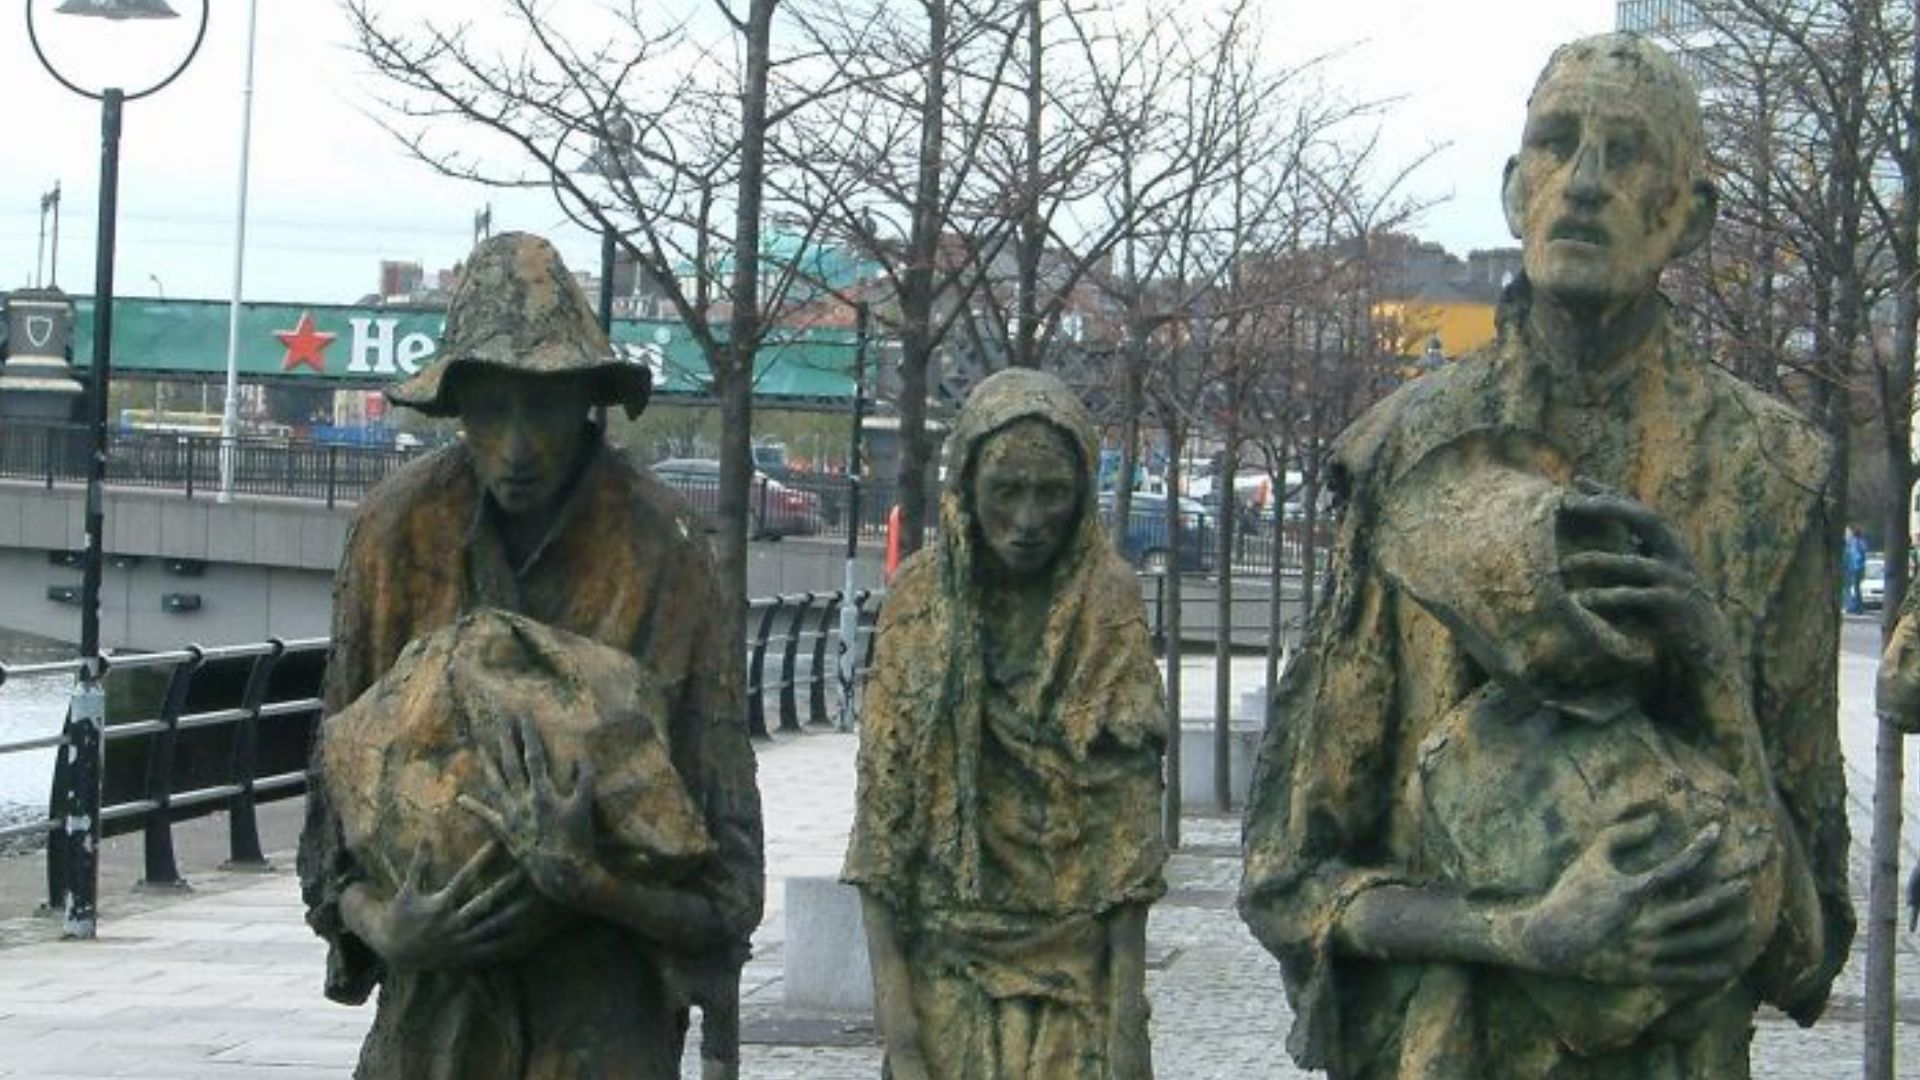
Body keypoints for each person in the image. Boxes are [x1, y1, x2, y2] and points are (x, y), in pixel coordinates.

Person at [1239, 34, 1851, 1079]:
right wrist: (1523, 932)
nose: (1586, 185)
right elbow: (1291, 881)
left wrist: (1706, 663)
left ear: (1689, 216)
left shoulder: (1774, 473)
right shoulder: (1402, 452)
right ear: (1518, 189)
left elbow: (1808, 950)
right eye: (1558, 146)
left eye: (1628, 153)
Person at [298, 232, 763, 1080]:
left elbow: (726, 887)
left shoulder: (664, 548)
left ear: (588, 401)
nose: (516, 448)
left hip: (601, 1020)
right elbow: (333, 808)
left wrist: (589, 883)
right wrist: (381, 923)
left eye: (543, 409)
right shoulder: (396, 535)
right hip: (432, 1024)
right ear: (455, 405)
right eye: (490, 409)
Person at [844, 368, 1167, 1080]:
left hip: (1073, 967)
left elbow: (1129, 838)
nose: (1027, 521)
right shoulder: (919, 604)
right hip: (946, 959)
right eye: (1006, 491)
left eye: (1051, 493)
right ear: (967, 487)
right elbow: (880, 838)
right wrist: (900, 1036)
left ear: (1082, 493)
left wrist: (1127, 1027)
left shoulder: (1107, 605)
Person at [1844, 524, 1868, 614]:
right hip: (1854, 567)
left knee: (1855, 588)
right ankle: (1854, 606)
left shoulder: (1857, 542)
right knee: (1854, 588)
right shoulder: (1856, 542)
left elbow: (1858, 555)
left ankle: (1858, 607)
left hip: (1856, 568)